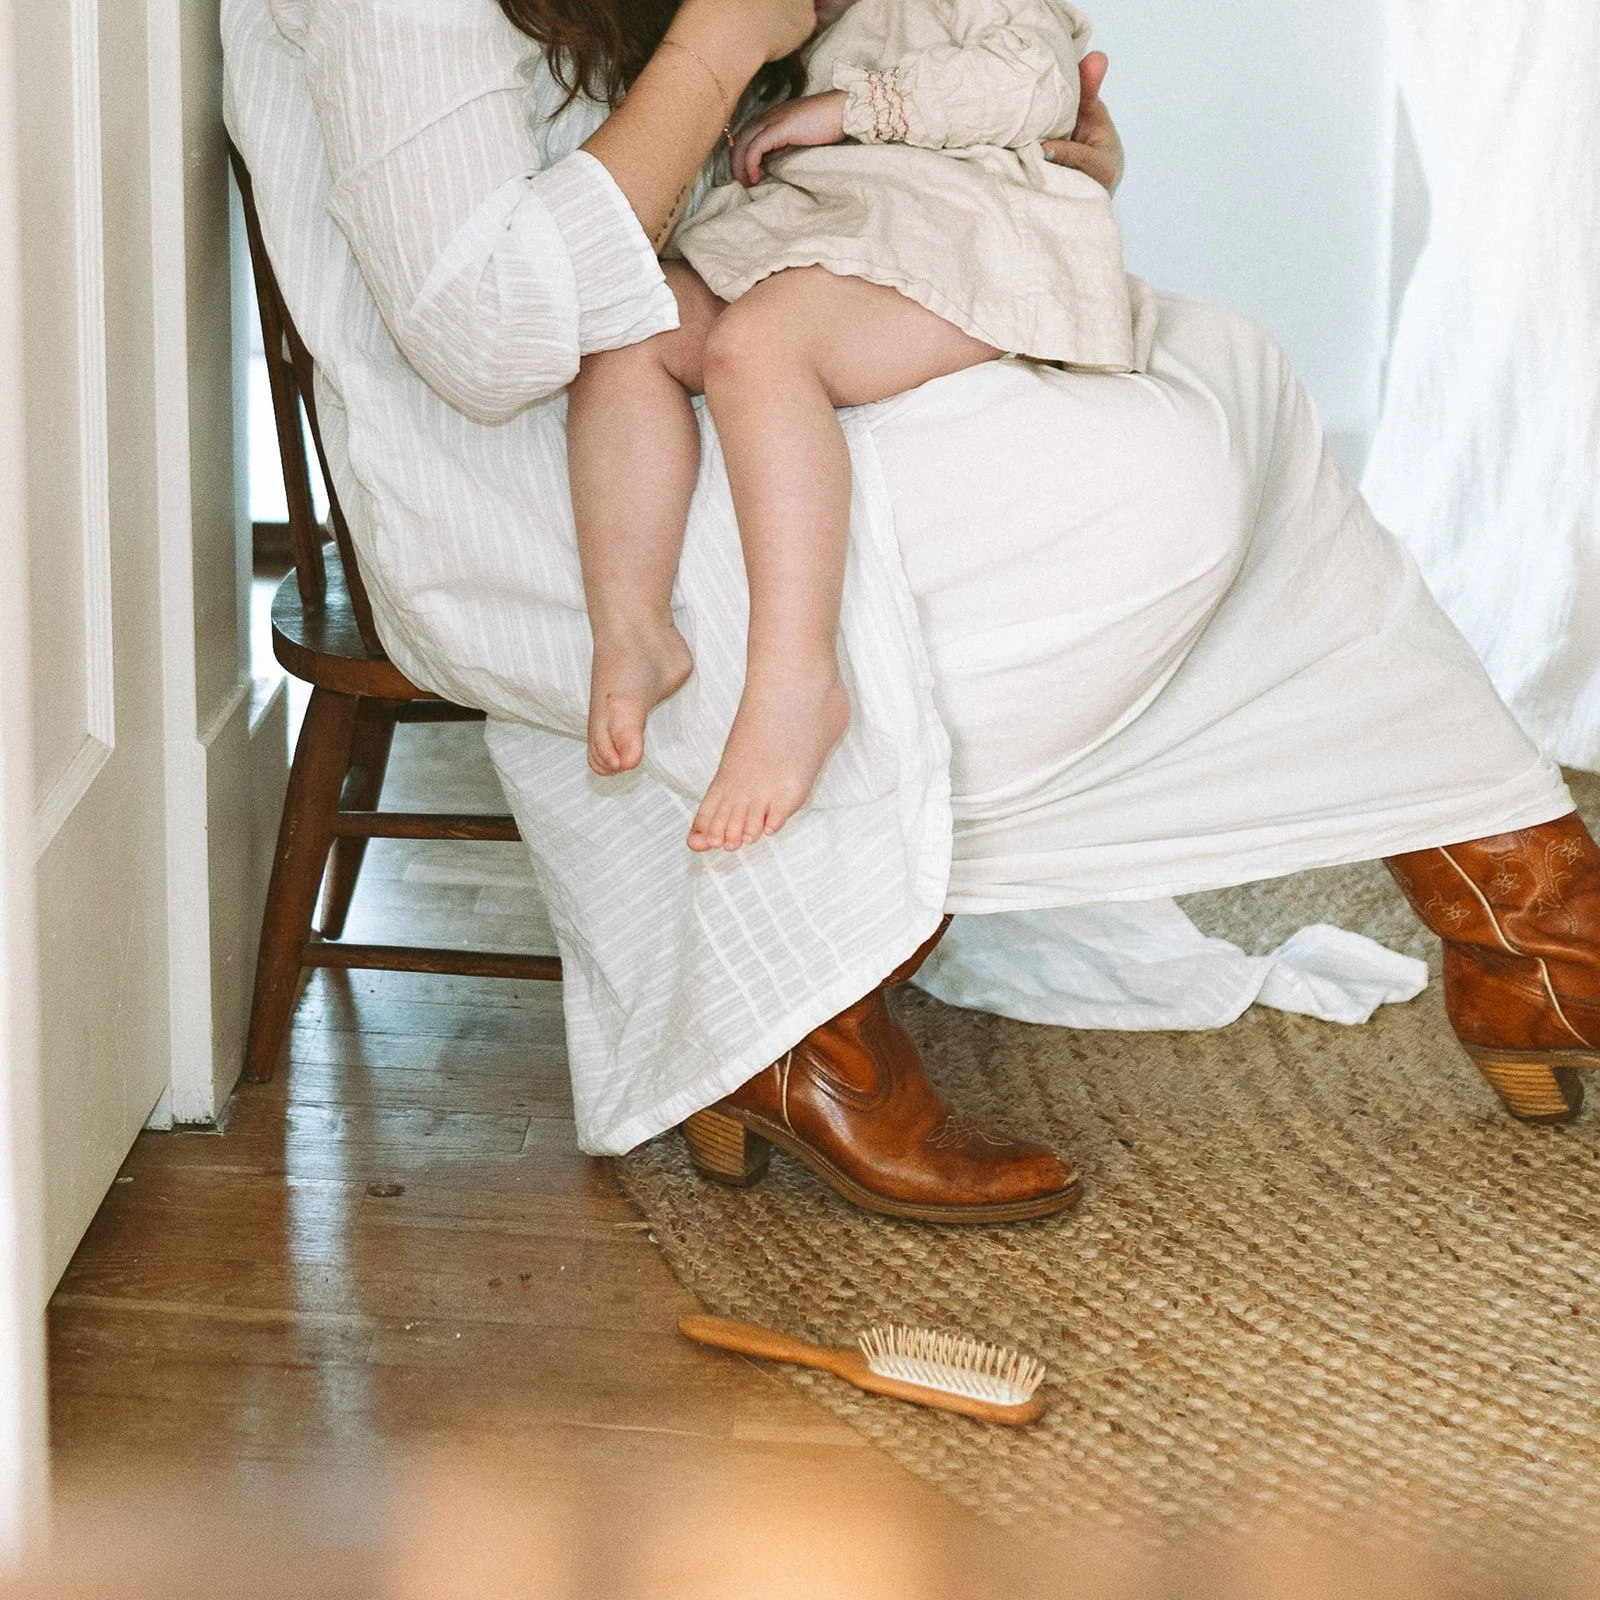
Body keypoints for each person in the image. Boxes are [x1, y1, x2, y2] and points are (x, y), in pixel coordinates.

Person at [223, 0, 1600, 1229]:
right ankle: (795, 1000)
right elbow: (484, 339)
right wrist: (718, 46)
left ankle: (1529, 918)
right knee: (1141, 474)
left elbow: (795, 132)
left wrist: (998, 151)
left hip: (688, 328)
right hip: (538, 460)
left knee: (1217, 367)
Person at [569, 0, 1141, 856]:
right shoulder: (762, 24)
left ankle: (797, 681)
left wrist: (850, 109)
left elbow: (1038, 80)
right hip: (816, 236)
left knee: (757, 350)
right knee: (629, 330)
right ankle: (633, 628)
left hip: (962, 241)